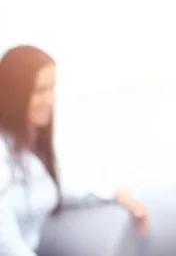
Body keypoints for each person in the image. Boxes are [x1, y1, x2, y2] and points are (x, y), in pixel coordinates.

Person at [0, 45, 149, 255]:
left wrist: (114, 194)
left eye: (51, 88)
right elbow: (6, 242)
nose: (50, 100)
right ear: (15, 94)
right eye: (40, 90)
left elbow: (58, 186)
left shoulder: (28, 150)